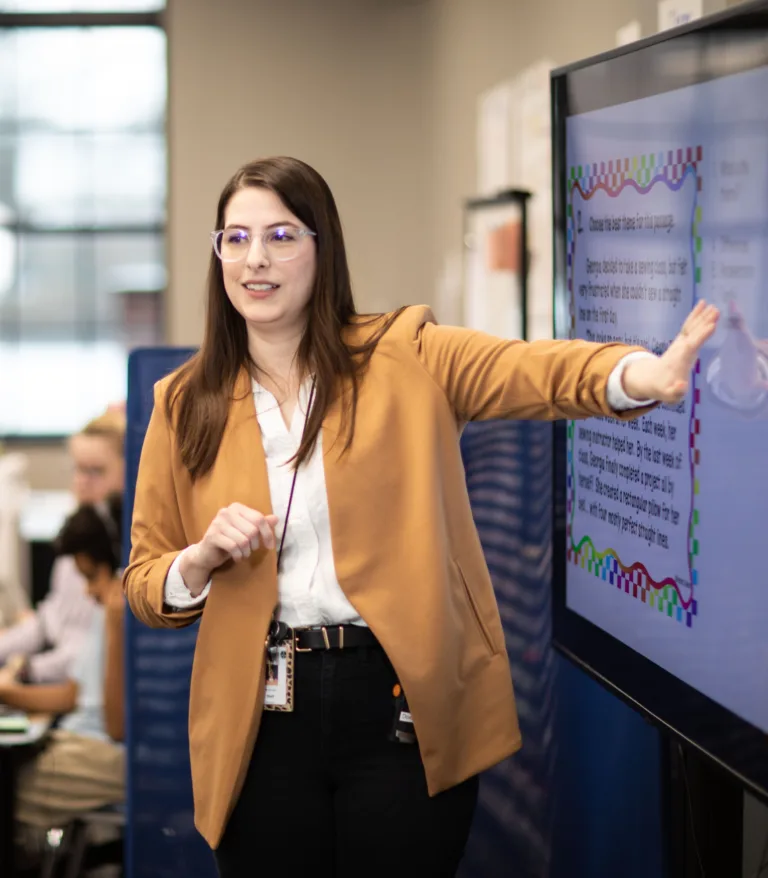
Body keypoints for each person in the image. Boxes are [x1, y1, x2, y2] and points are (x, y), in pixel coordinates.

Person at [123, 156, 719, 877]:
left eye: (282, 235)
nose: (256, 259)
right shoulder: (184, 402)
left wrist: (638, 377)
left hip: (397, 699)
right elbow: (145, 582)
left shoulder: (403, 353)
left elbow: (532, 371)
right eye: (237, 238)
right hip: (261, 711)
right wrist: (199, 560)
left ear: (322, 247)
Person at [0, 491, 126, 833]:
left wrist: (116, 626)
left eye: (92, 576)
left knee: (11, 787)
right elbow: (74, 695)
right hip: (78, 740)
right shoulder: (104, 616)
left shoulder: (120, 618)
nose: (89, 591)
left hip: (103, 753)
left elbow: (116, 727)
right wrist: (6, 693)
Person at [0, 408, 125, 683]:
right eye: (78, 469)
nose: (82, 482)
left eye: (95, 471)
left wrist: (24, 672)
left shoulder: (118, 553)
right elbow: (49, 622)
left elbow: (83, 652)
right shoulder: (76, 543)